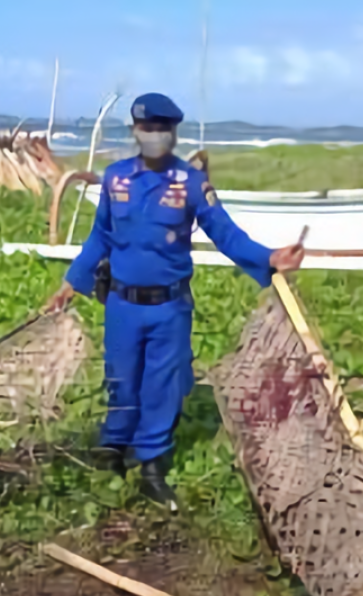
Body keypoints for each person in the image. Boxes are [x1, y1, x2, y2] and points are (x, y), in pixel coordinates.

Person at [45, 92, 305, 511]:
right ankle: (113, 449)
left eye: (163, 129)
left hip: (169, 307)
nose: (154, 135)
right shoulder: (115, 179)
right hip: (122, 305)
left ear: (174, 133)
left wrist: (269, 258)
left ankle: (151, 466)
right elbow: (100, 238)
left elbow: (226, 234)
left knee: (161, 387)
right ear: (134, 131)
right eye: (147, 128)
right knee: (121, 378)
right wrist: (71, 282)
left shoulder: (192, 184)